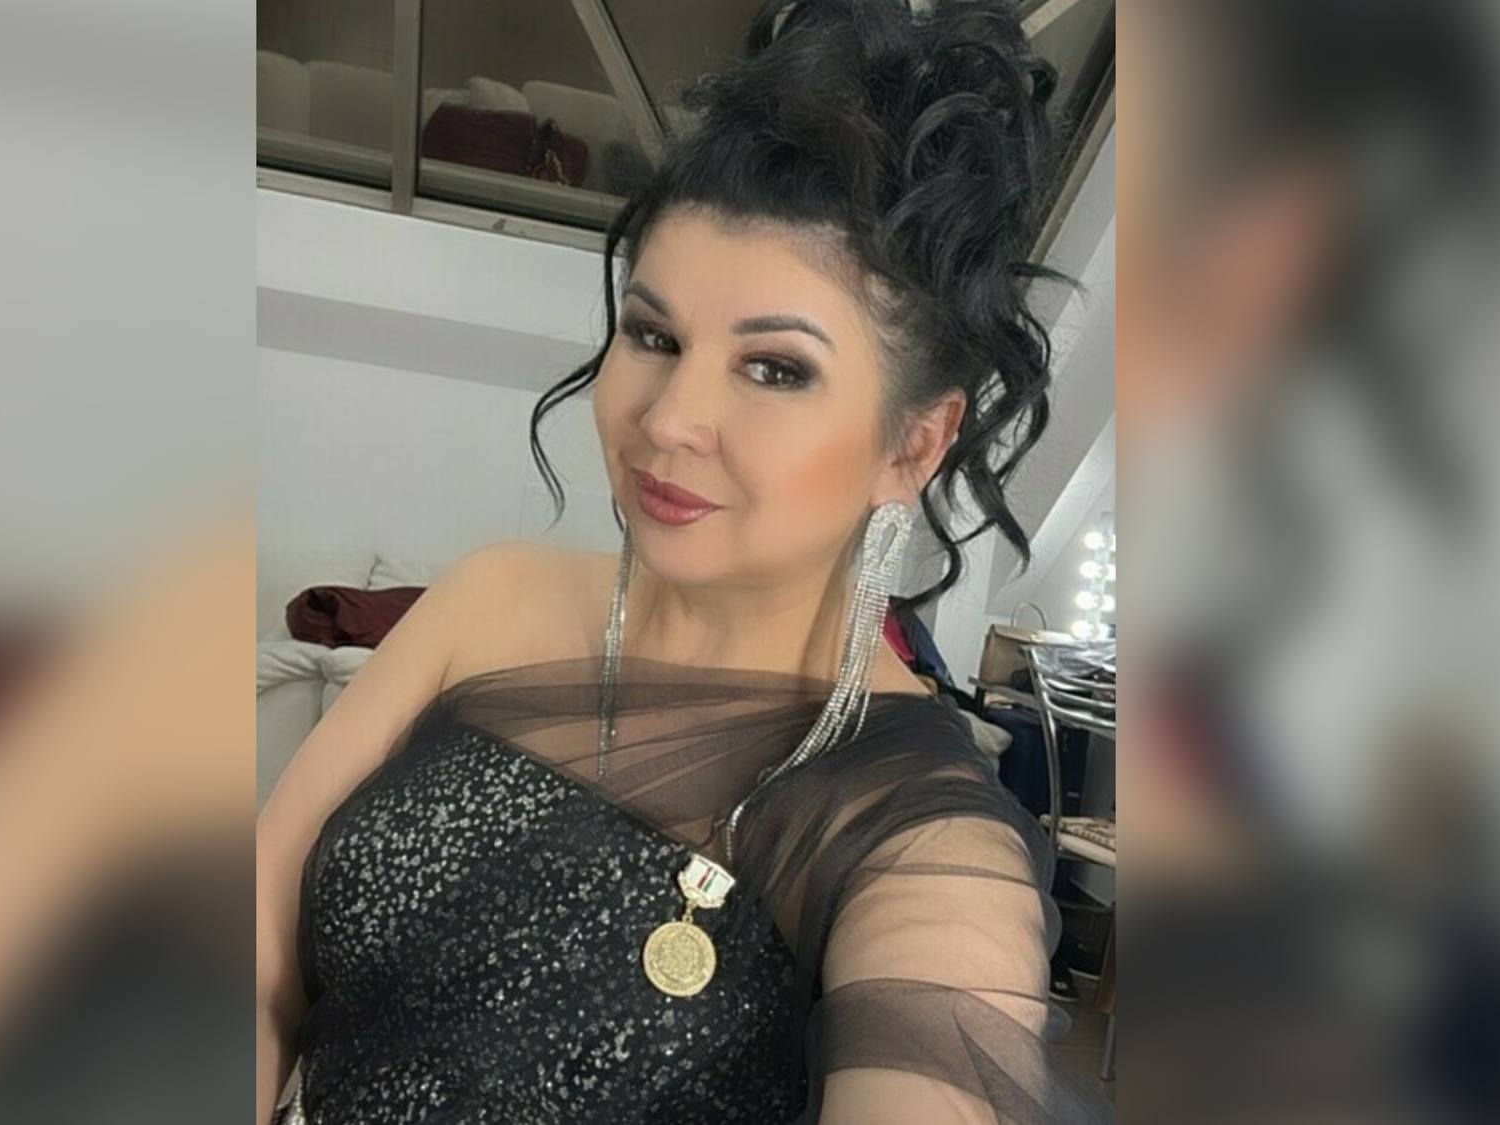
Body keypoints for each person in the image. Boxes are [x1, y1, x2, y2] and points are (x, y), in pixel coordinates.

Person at [255, 2, 1102, 1121]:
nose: (667, 420)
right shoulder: (494, 598)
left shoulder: (921, 836)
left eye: (775, 369)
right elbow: (257, 939)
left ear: (913, 443)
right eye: (653, 336)